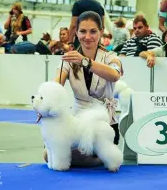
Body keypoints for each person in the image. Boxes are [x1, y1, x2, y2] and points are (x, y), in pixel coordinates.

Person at [43, 11, 122, 167]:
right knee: (48, 154)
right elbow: (56, 86)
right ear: (76, 32)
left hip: (104, 123)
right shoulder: (68, 60)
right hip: (77, 124)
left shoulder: (111, 56)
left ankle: (102, 155)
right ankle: (99, 157)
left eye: (93, 31)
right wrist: (45, 104)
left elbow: (115, 75)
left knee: (68, 156)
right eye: (83, 31)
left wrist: (85, 61)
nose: (87, 37)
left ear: (101, 31)